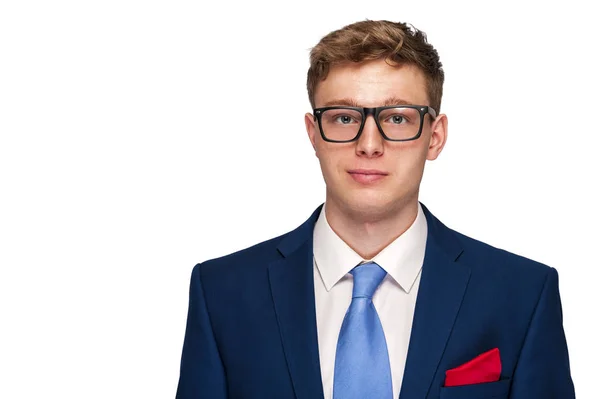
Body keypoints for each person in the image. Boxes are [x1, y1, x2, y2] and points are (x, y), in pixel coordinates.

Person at [175, 20, 575, 399]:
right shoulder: (223, 293)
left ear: (435, 137)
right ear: (314, 135)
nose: (369, 143)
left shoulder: (521, 294)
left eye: (397, 118)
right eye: (344, 117)